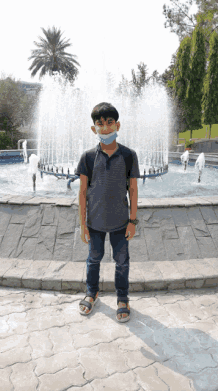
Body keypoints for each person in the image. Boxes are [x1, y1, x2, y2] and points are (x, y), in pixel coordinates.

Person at [76, 102, 140, 322]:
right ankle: (91, 293)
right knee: (93, 260)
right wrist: (82, 225)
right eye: (100, 124)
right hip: (94, 222)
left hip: (121, 222)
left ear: (118, 125)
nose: (105, 128)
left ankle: (122, 298)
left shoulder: (129, 155)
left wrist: (133, 220)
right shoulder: (87, 157)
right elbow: (83, 192)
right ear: (94, 129)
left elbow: (133, 189)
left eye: (109, 123)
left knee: (122, 261)